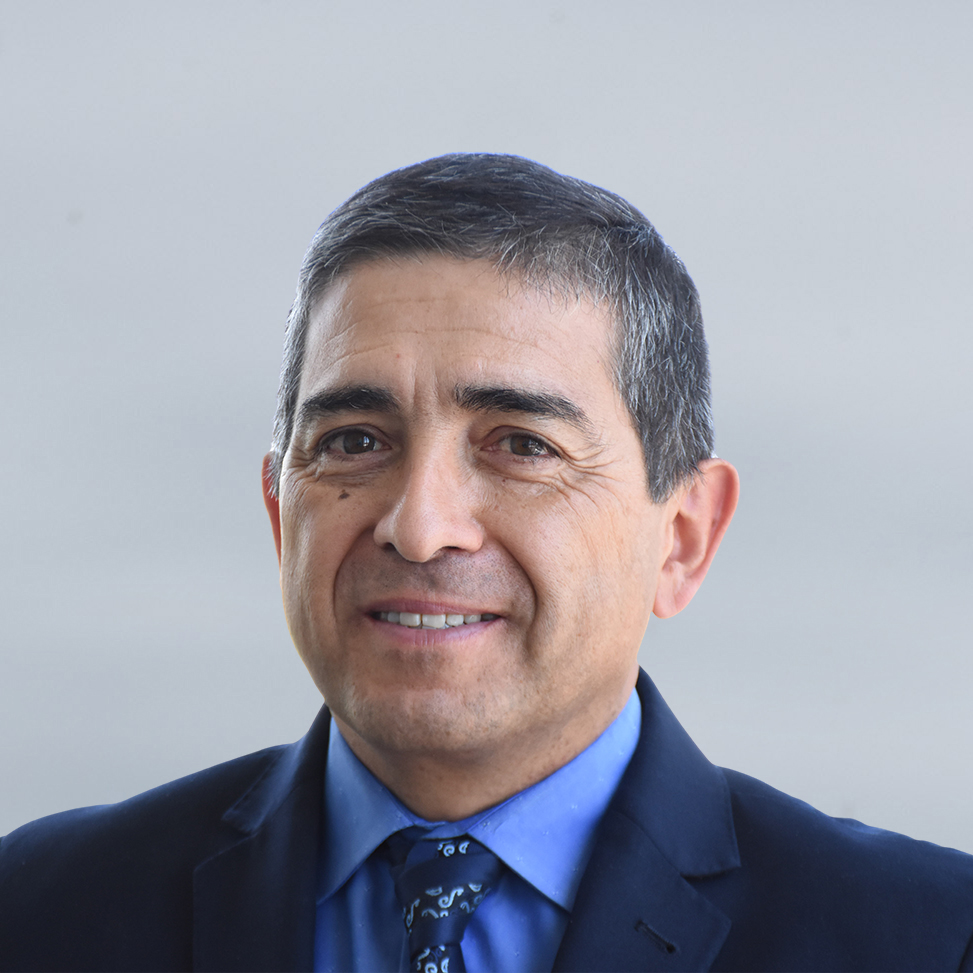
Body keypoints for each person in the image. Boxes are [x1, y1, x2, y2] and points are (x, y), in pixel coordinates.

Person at [1, 154, 971, 973]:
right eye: (353, 441)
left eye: (520, 445)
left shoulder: (925, 939)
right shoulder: (38, 914)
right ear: (277, 512)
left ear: (682, 536)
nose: (420, 529)